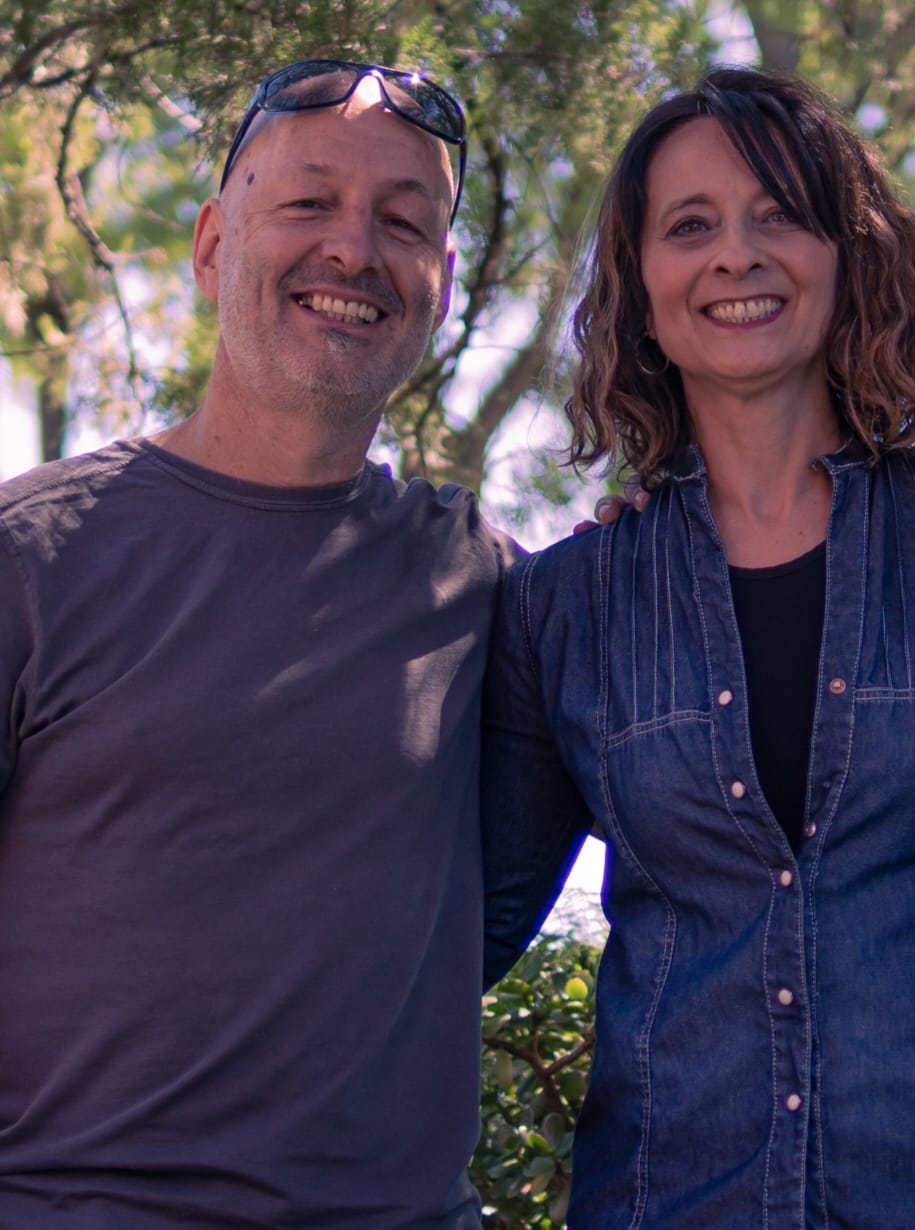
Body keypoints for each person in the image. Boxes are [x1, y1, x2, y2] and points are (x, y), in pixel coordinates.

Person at [480, 66, 915, 1229]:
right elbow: (453, 934)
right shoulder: (565, 608)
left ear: (847, 254)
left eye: (778, 214)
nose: (737, 255)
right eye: (690, 226)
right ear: (639, 286)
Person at [0, 62, 513, 1227]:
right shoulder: (30, 557)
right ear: (211, 244)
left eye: (403, 222)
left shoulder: (485, 584)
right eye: (309, 202)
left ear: (439, 282)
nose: (353, 248)